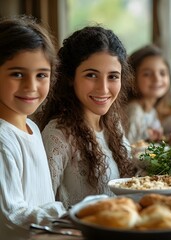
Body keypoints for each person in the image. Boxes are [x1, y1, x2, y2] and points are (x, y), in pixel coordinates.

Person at [35, 26, 135, 209]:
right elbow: (42, 208)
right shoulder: (58, 135)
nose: (103, 88)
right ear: (70, 77)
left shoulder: (112, 125)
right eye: (91, 75)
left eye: (113, 76)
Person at [0, 16, 66, 239]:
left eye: (41, 75)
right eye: (17, 74)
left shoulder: (32, 127)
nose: (31, 86)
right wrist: (66, 214)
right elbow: (10, 218)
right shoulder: (2, 139)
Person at [126, 44, 171, 144]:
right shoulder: (134, 111)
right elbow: (126, 149)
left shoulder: (151, 111)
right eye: (147, 74)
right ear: (131, 78)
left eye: (162, 73)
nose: (157, 79)